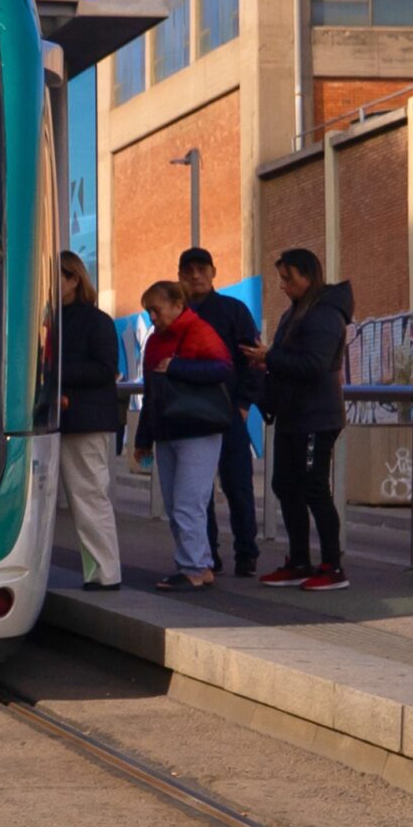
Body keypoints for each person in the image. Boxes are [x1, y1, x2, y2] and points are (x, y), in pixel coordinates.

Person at [242, 247, 353, 590]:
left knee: (313, 486)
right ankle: (300, 560)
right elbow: (291, 360)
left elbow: (314, 365)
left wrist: (270, 357)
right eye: (281, 278)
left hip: (315, 418)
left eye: (288, 278)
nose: (283, 285)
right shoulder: (297, 313)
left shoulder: (324, 314)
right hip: (294, 415)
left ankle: (332, 566)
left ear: (308, 276)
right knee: (285, 485)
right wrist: (266, 361)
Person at [136, 279, 238, 590]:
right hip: (169, 428)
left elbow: (223, 368)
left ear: (177, 305)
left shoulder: (198, 331)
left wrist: (177, 367)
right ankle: (200, 563)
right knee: (175, 502)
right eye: (149, 311)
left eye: (157, 309)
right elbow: (151, 392)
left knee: (187, 502)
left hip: (197, 430)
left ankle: (193, 567)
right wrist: (143, 438)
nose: (153, 317)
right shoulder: (156, 340)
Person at [179, 246, 262, 577]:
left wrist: (244, 404)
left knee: (237, 485)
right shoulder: (176, 313)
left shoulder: (232, 311)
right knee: (198, 492)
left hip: (228, 413)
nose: (196, 275)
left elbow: (254, 361)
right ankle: (207, 554)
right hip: (190, 414)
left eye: (202, 269)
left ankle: (246, 553)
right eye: (189, 270)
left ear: (214, 272)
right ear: (180, 275)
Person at [55, 253, 126, 589]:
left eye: (58, 276)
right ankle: (97, 571)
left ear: (74, 280)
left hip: (85, 420)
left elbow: (104, 369)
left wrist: (53, 374)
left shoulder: (96, 321)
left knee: (89, 496)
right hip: (68, 419)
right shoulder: (56, 318)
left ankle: (105, 573)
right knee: (85, 496)